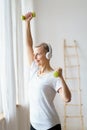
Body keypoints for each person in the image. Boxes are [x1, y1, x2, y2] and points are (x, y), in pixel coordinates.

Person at [24, 12, 71, 130]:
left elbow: (67, 98)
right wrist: (27, 23)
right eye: (34, 55)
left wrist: (61, 77)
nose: (35, 57)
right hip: (33, 125)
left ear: (48, 55)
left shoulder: (53, 76)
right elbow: (28, 45)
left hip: (49, 126)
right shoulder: (34, 69)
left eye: (38, 54)